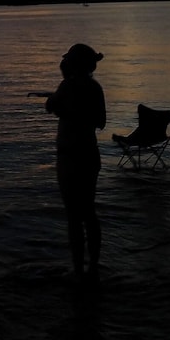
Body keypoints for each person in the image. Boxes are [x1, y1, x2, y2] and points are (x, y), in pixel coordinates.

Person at [45, 44, 107, 283]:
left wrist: (66, 105)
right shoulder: (95, 87)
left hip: (70, 156)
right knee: (89, 211)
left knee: (73, 215)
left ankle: (78, 269)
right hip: (90, 154)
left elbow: (50, 106)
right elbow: (100, 121)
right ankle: (94, 266)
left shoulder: (67, 86)